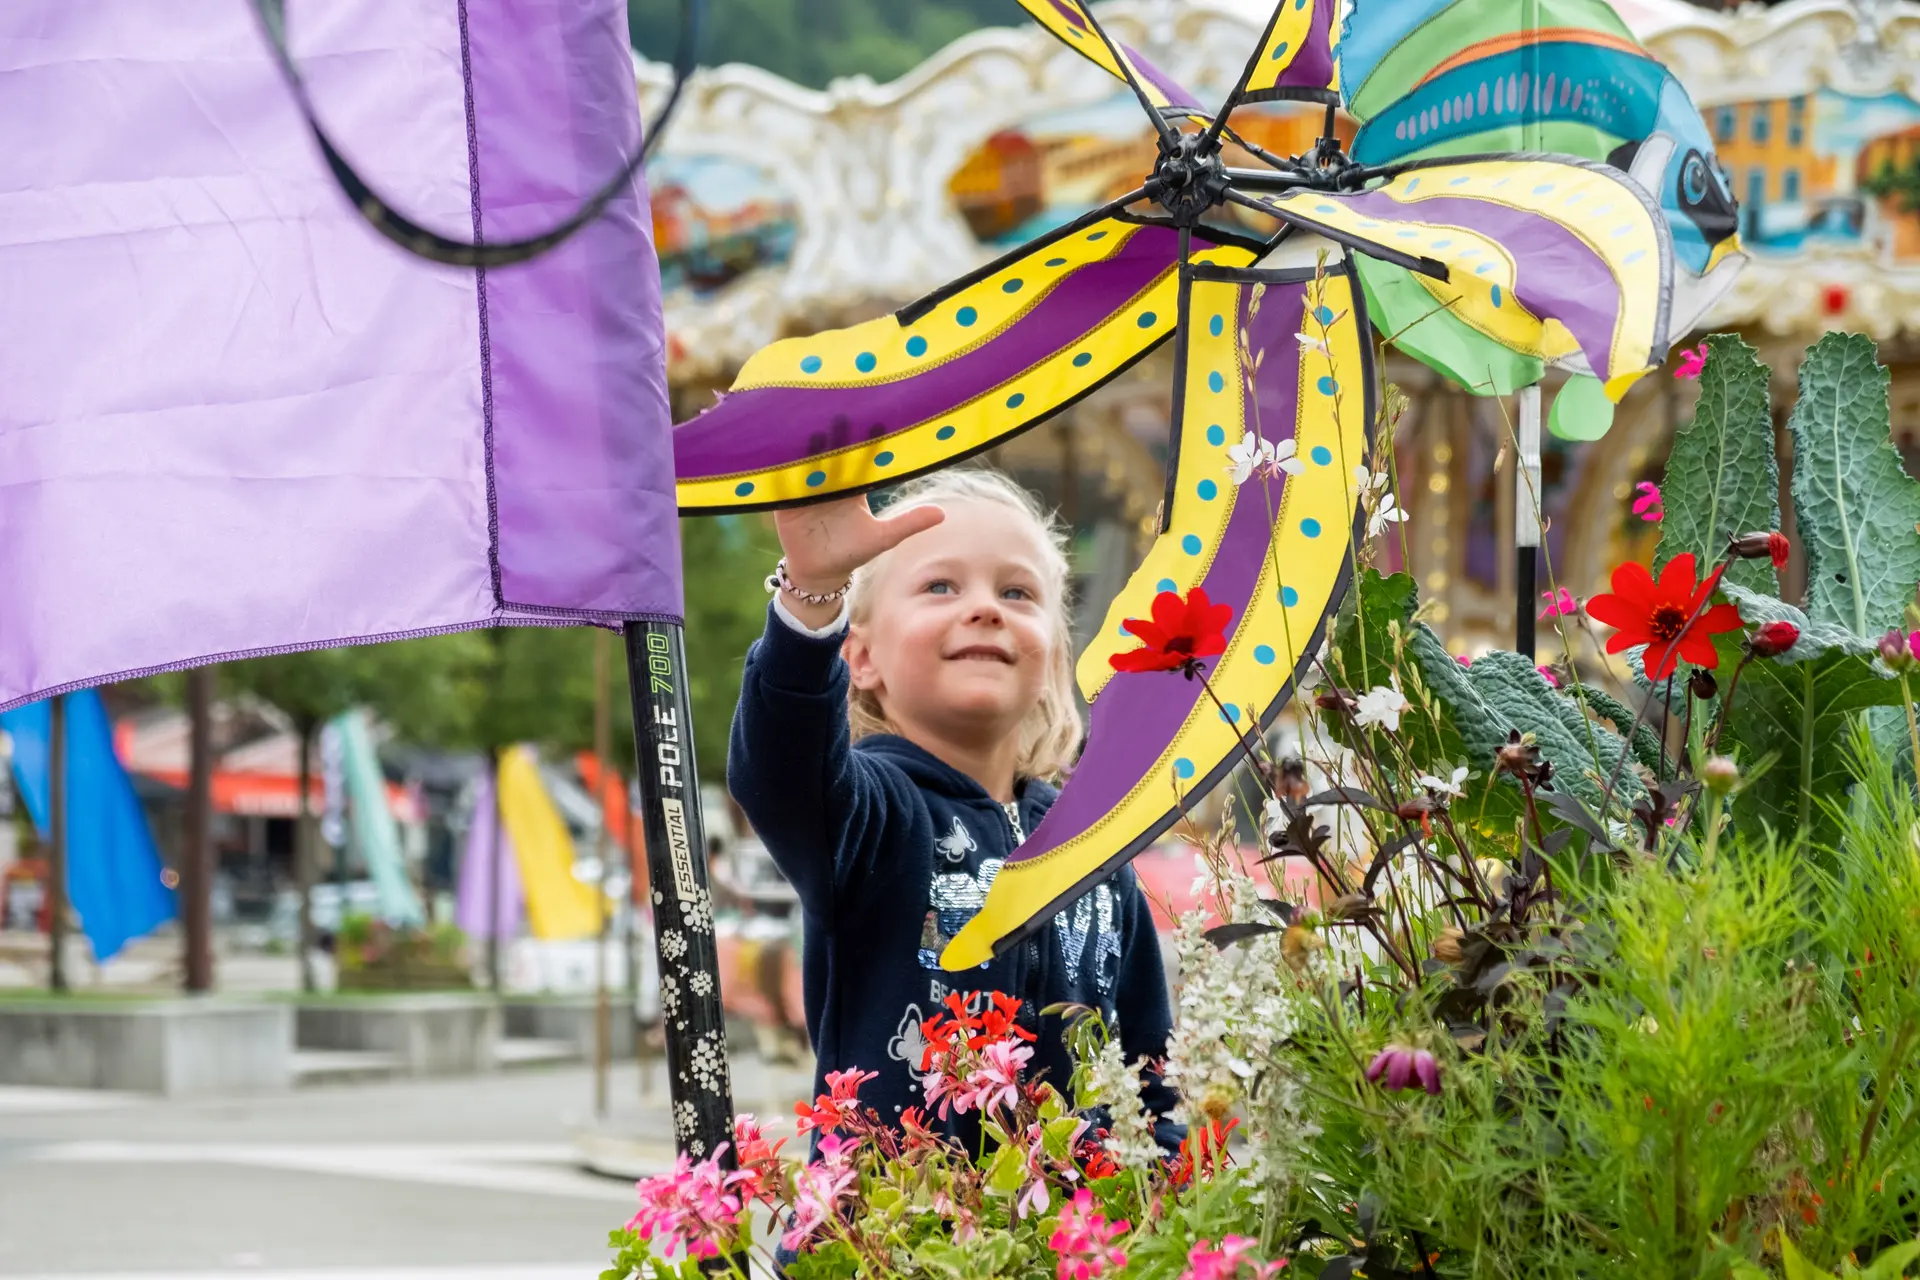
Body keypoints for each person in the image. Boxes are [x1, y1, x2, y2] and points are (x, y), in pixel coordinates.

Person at [728, 467, 1181, 1150]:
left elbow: (1152, 1072)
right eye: (941, 586)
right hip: (892, 1242)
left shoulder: (1093, 846)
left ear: (1053, 658)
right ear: (860, 658)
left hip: (1074, 1248)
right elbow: (780, 766)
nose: (985, 607)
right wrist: (814, 594)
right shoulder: (868, 817)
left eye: (1017, 592)